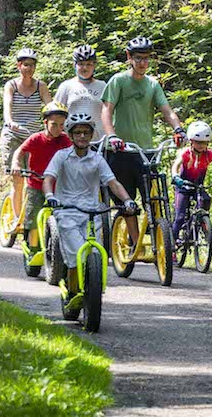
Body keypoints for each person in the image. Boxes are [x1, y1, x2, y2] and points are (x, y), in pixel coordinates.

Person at [101, 36, 186, 249]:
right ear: (129, 57)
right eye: (138, 58)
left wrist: (178, 129)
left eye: (146, 59)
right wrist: (112, 135)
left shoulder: (152, 84)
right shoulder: (118, 81)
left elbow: (167, 110)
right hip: (121, 151)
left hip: (146, 152)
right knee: (127, 201)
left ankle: (160, 239)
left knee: (154, 197)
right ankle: (135, 242)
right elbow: (106, 110)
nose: (142, 63)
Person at [43, 113, 137, 300]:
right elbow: (49, 178)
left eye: (86, 132)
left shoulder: (97, 159)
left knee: (95, 254)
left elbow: (113, 183)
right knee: (76, 254)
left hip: (92, 214)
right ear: (70, 135)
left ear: (92, 135)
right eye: (78, 133)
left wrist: (128, 201)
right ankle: (71, 291)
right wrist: (50, 195)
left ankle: (93, 293)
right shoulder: (61, 156)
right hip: (67, 211)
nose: (82, 136)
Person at [10, 102, 72, 248]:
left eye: (62, 125)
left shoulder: (65, 140)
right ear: (45, 123)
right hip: (36, 183)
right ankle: (32, 248)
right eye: (54, 124)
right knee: (32, 216)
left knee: (66, 215)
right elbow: (20, 151)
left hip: (57, 186)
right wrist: (16, 164)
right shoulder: (36, 138)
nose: (58, 129)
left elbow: (74, 155)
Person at [1, 48, 52, 218]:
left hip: (34, 135)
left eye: (32, 65)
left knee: (35, 177)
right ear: (19, 66)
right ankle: (18, 219)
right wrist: (10, 121)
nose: (29, 68)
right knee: (18, 177)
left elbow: (50, 108)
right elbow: (7, 106)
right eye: (25, 65)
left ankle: (30, 215)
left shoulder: (41, 86)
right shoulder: (12, 85)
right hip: (14, 133)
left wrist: (55, 123)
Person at [170, 121, 212, 244]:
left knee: (205, 200)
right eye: (198, 142)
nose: (201, 145)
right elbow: (175, 166)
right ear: (191, 141)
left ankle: (201, 224)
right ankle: (172, 245)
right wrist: (176, 177)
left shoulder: (208, 154)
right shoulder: (186, 153)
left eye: (204, 142)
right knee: (180, 217)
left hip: (198, 187)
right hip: (183, 187)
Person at [54, 44, 106, 141]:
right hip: (71, 141)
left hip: (98, 142)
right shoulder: (66, 86)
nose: (85, 68)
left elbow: (110, 113)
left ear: (94, 65)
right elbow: (56, 114)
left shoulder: (102, 86)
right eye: (81, 64)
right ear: (74, 65)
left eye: (89, 64)